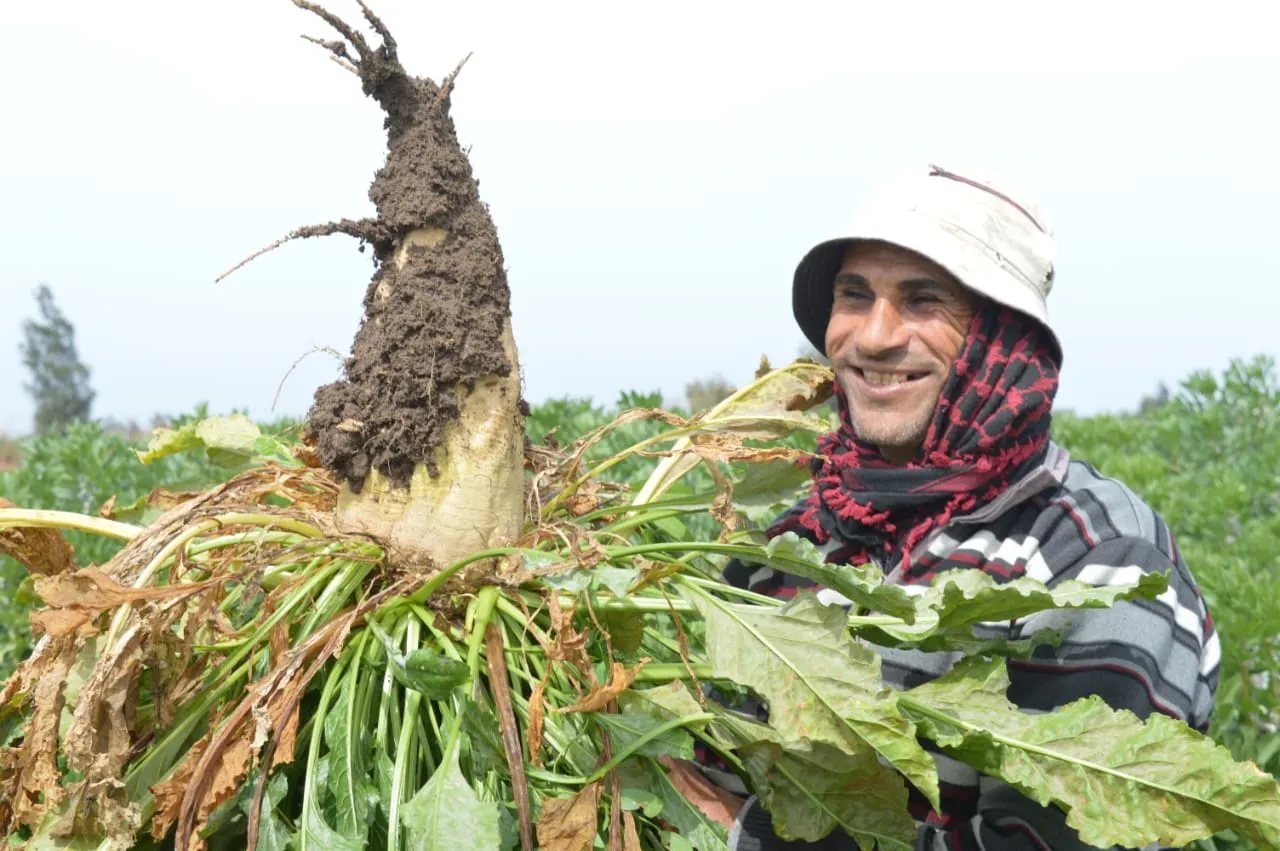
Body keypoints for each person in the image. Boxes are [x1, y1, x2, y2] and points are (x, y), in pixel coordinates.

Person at [667, 162, 1221, 850]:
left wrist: (738, 835)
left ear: (1002, 335)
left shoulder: (1095, 559)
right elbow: (709, 762)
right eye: (855, 295)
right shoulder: (793, 546)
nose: (874, 336)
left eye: (922, 300)